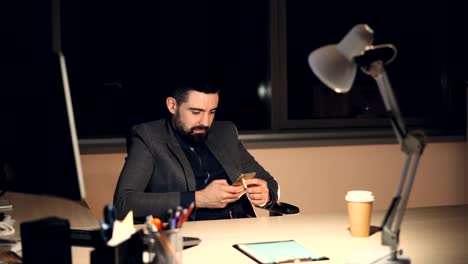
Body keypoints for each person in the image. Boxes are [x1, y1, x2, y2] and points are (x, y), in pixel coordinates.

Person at [113, 83, 279, 221]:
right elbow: (124, 203)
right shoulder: (149, 136)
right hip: (187, 237)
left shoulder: (225, 132)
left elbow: (269, 182)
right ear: (172, 105)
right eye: (196, 112)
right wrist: (199, 199)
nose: (205, 122)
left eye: (212, 112)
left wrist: (266, 196)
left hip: (240, 230)